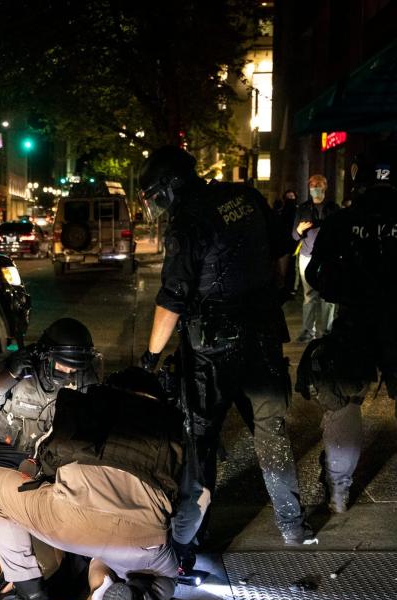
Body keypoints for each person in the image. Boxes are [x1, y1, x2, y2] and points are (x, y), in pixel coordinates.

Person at [137, 145, 310, 550]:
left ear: (169, 188)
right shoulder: (243, 197)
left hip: (212, 350)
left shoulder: (186, 222)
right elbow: (281, 247)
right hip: (263, 335)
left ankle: (194, 538)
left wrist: (150, 357)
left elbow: (172, 298)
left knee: (201, 439)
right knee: (271, 430)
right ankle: (294, 525)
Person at [0, 367, 182, 600]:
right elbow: (194, 502)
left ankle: (32, 599)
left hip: (69, 525)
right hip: (142, 539)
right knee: (164, 578)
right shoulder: (173, 428)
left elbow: (33, 469)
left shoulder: (86, 406)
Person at [297, 144, 397, 514]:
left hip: (355, 322)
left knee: (342, 399)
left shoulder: (343, 222)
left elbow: (316, 275)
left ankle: (339, 491)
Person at [0, 317, 100, 498]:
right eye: (63, 365)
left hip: (53, 455)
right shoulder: (20, 368)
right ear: (46, 355)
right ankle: (19, 506)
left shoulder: (85, 376)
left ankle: (31, 507)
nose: (68, 373)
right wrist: (8, 375)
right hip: (7, 449)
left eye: (74, 368)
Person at [292, 174, 339, 342]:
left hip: (328, 257)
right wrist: (299, 230)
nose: (315, 188)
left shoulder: (333, 208)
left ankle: (328, 331)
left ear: (325, 187)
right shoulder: (303, 208)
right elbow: (294, 235)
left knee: (328, 295)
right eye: (312, 185)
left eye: (318, 185)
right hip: (307, 255)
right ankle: (307, 331)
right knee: (309, 295)